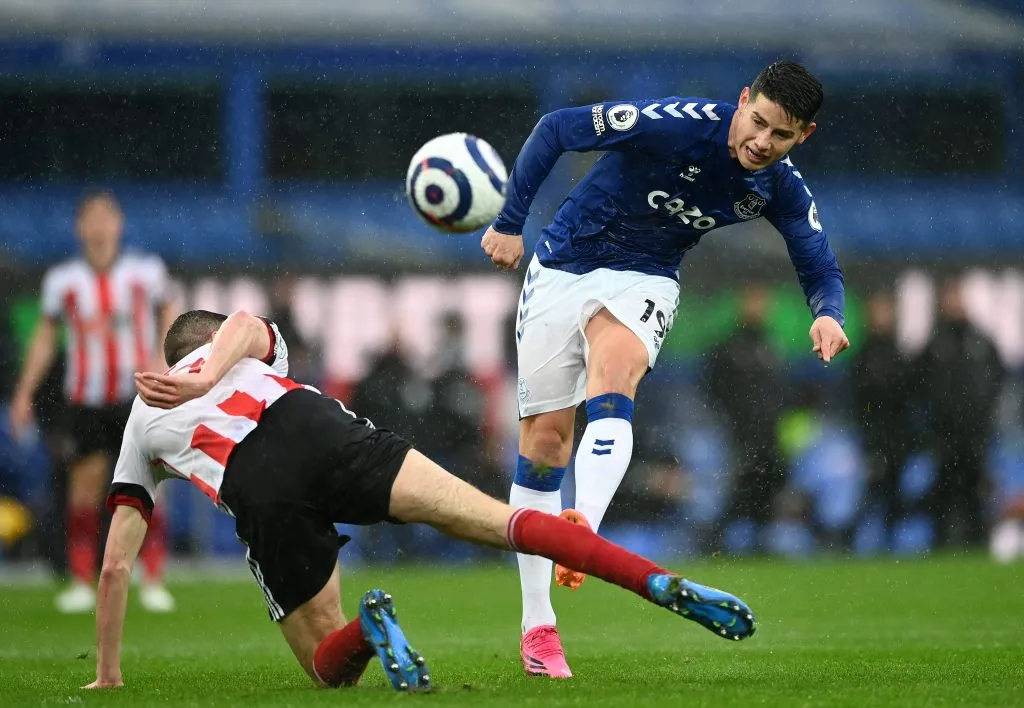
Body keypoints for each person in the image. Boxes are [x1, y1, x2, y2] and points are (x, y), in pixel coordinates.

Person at [83, 309, 757, 691]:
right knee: (509, 522)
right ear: (202, 349)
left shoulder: (143, 416)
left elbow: (115, 566)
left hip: (256, 486)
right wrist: (215, 372)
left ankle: (374, 630)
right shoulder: (249, 359)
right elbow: (243, 324)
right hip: (316, 427)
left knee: (326, 669)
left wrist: (109, 675)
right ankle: (654, 579)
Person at [480, 60, 849, 676]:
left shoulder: (779, 186)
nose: (762, 142)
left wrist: (827, 313)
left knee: (615, 370)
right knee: (545, 445)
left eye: (781, 136)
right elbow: (556, 128)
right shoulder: (673, 125)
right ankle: (538, 625)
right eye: (757, 122)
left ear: (802, 136)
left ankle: (583, 531)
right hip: (561, 266)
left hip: (645, 276)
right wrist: (510, 222)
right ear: (742, 101)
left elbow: (818, 260)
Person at [9, 190, 177, 614]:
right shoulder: (63, 281)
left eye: (107, 218)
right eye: (92, 219)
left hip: (137, 395)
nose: (100, 226)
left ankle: (153, 577)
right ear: (80, 227)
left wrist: (164, 357)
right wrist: (24, 392)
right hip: (86, 398)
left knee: (151, 482)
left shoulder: (145, 272)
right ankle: (82, 580)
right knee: (84, 488)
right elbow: (46, 338)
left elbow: (170, 310)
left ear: (118, 224)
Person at [915, 278, 1003, 548]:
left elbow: (998, 379)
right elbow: (920, 382)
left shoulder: (981, 341)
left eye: (958, 298)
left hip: (975, 432)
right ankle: (943, 543)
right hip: (945, 433)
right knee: (945, 490)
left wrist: (983, 415)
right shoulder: (936, 344)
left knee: (976, 489)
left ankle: (979, 541)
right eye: (950, 298)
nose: (955, 304)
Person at [704, 285, 787, 552]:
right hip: (736, 433)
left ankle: (762, 545)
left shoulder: (773, 346)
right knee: (734, 490)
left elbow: (782, 392)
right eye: (752, 300)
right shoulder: (728, 347)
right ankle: (715, 543)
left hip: (768, 433)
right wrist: (732, 420)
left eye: (761, 301)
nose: (757, 307)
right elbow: (713, 390)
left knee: (766, 489)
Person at [849, 290, 913, 548]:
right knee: (869, 492)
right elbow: (857, 398)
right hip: (872, 436)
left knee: (894, 493)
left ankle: (892, 543)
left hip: (896, 435)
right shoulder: (863, 355)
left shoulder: (899, 355)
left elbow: (909, 396)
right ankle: (861, 544)